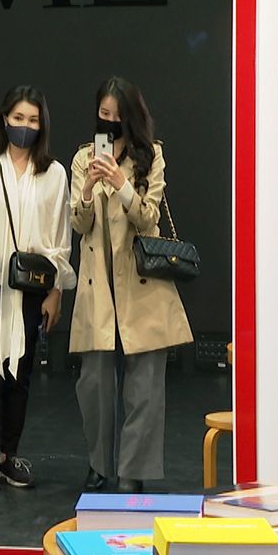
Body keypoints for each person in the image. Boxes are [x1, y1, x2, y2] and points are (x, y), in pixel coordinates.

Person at [69, 76, 193, 494]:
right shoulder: (84, 158)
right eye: (104, 114)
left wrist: (122, 185)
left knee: (145, 386)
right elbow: (79, 223)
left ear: (132, 118)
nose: (110, 121)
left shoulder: (150, 156)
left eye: (118, 115)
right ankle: (98, 463)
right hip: (98, 282)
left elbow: (148, 218)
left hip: (142, 282)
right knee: (94, 384)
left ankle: (132, 471)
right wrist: (89, 189)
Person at [0, 85, 74, 495]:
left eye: (33, 120)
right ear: (4, 119)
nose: (25, 126)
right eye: (19, 117)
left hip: (32, 288)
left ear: (42, 125)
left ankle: (9, 455)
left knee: (21, 375)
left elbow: (61, 237)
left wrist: (56, 291)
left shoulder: (54, 174)